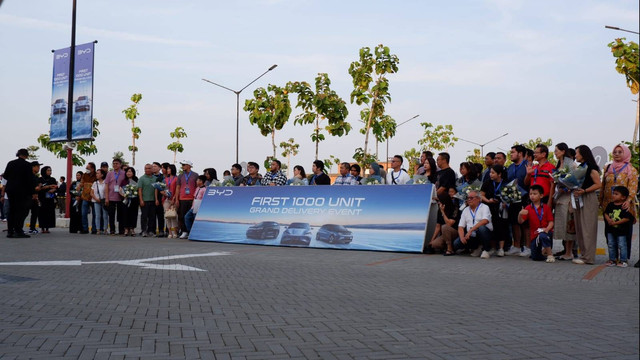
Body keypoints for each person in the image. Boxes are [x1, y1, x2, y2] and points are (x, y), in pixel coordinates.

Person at [599, 143, 638, 262]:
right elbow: (603, 186)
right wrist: (600, 201)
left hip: (624, 206)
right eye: (615, 152)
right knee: (610, 232)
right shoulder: (608, 167)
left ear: (625, 153)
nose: (616, 154)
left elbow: (633, 187)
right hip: (609, 205)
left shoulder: (630, 169)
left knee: (623, 232)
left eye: (620, 152)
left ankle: (624, 258)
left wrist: (628, 200)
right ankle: (613, 257)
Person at [572, 145, 601, 265]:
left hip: (588, 198)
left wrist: (584, 191)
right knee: (580, 228)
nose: (575, 156)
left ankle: (588, 257)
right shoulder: (580, 167)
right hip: (579, 197)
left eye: (577, 153)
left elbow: (598, 184)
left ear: (583, 154)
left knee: (588, 228)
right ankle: (583, 254)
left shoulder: (591, 167)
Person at [552, 143, 577, 261]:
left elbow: (576, 182)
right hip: (560, 197)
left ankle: (569, 252)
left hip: (569, 197)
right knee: (563, 225)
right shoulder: (559, 165)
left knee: (569, 225)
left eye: (556, 151)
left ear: (563, 151)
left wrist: (568, 188)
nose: (555, 153)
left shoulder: (570, 164)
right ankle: (566, 251)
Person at [519, 185, 555, 263]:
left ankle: (550, 254)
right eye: (531, 194)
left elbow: (551, 222)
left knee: (543, 235)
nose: (532, 196)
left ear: (541, 195)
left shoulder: (546, 207)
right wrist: (520, 214)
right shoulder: (528, 208)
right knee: (535, 257)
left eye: (535, 194)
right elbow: (521, 221)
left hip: (546, 232)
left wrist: (547, 229)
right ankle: (542, 252)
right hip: (535, 234)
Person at [452, 190, 493, 259]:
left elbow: (485, 221)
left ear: (478, 199)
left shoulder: (485, 207)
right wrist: (462, 237)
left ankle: (486, 250)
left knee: (481, 228)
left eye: (471, 198)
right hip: (472, 236)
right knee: (456, 244)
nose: (469, 200)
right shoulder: (466, 210)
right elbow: (460, 226)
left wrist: (471, 230)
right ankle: (475, 248)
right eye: (468, 198)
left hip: (484, 233)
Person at [2, 149, 34, 238]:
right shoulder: (27, 165)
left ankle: (10, 231)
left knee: (11, 210)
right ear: (26, 155)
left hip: (11, 190)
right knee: (20, 211)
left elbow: (5, 176)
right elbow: (29, 180)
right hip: (22, 191)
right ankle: (18, 230)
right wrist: (32, 192)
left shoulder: (10, 163)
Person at [506, 144, 530, 256]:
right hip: (512, 198)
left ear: (520, 153)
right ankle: (516, 246)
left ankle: (527, 247)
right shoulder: (510, 167)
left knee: (525, 223)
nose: (511, 154)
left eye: (513, 152)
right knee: (514, 222)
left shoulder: (527, 165)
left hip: (525, 198)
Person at [481, 165, 508, 256]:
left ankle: (501, 249)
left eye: (493, 173)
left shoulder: (505, 183)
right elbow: (481, 195)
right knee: (491, 227)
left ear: (499, 174)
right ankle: (492, 247)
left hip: (502, 209)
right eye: (490, 172)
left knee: (501, 227)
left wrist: (506, 203)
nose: (490, 175)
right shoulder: (487, 183)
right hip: (489, 208)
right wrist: (488, 200)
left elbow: (510, 196)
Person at [603, 186, 634, 267]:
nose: (613, 195)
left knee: (622, 245)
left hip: (621, 231)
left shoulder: (624, 206)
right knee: (611, 244)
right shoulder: (610, 205)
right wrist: (609, 220)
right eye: (613, 193)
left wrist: (616, 223)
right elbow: (605, 213)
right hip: (610, 230)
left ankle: (623, 260)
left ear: (623, 197)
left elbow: (627, 218)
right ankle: (612, 259)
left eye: (616, 194)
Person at [525, 144, 555, 209]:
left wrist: (550, 201)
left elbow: (553, 186)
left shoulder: (551, 167)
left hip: (544, 199)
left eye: (536, 153)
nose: (534, 154)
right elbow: (526, 183)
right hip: (532, 199)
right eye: (534, 153)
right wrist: (528, 174)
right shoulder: (533, 167)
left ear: (543, 154)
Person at [174, 160, 198, 236]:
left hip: (192, 199)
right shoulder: (180, 176)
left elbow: (197, 187)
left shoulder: (195, 175)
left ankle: (191, 231)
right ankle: (184, 231)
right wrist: (177, 199)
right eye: (182, 165)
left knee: (191, 216)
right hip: (182, 199)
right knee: (182, 216)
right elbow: (178, 187)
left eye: (184, 165)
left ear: (189, 166)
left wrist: (196, 198)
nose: (182, 166)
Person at [104, 158, 126, 235]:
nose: (115, 165)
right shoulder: (109, 173)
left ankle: (121, 230)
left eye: (116, 163)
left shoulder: (123, 173)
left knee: (121, 215)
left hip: (120, 197)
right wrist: (106, 198)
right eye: (113, 164)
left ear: (120, 164)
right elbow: (106, 185)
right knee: (111, 214)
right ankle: (112, 230)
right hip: (111, 196)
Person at [181, 175, 207, 239]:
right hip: (194, 207)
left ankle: (197, 233)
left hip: (199, 207)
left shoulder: (205, 189)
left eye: (198, 180)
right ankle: (190, 232)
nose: (196, 181)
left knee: (196, 220)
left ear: (201, 181)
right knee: (186, 217)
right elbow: (194, 197)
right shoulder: (197, 188)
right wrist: (192, 206)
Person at [138, 164, 158, 237]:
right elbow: (140, 190)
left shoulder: (155, 178)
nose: (147, 170)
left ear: (152, 169)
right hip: (144, 200)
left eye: (149, 168)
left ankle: (151, 231)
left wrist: (156, 199)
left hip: (152, 200)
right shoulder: (142, 179)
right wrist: (141, 200)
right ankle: (144, 230)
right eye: (146, 168)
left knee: (152, 217)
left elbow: (156, 189)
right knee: (144, 216)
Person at [37, 166, 58, 234]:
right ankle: (42, 228)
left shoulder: (52, 179)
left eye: (50, 170)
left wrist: (53, 189)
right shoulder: (40, 179)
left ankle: (47, 227)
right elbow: (39, 188)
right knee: (42, 213)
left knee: (49, 213)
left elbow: (56, 187)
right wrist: (48, 187)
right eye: (48, 170)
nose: (50, 172)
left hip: (50, 198)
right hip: (42, 198)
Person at [79, 162, 97, 234]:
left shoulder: (96, 175)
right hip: (85, 197)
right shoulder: (84, 175)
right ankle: (85, 228)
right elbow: (81, 183)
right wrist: (80, 186)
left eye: (88, 168)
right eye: (86, 168)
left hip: (94, 197)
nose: (86, 169)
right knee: (83, 213)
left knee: (95, 214)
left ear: (92, 169)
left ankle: (94, 229)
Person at [162, 164, 179, 238]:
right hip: (166, 199)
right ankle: (169, 232)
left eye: (169, 169)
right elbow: (162, 189)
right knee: (167, 216)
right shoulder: (165, 179)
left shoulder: (176, 179)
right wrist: (163, 192)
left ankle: (175, 232)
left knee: (173, 215)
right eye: (167, 169)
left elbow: (177, 189)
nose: (168, 170)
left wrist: (174, 198)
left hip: (173, 199)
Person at [90, 169, 108, 235]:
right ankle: (98, 229)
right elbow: (91, 193)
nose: (96, 175)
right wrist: (96, 198)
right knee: (97, 215)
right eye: (96, 173)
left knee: (105, 215)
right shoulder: (95, 183)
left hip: (104, 201)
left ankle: (105, 229)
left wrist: (106, 199)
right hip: (96, 201)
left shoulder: (106, 182)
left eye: (98, 173)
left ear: (102, 175)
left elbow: (107, 192)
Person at [122, 167, 139, 236]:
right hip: (125, 200)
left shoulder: (136, 180)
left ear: (133, 173)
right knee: (125, 214)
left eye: (130, 172)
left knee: (133, 214)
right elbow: (120, 189)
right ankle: (126, 229)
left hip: (134, 200)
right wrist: (124, 195)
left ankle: (132, 229)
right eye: (127, 172)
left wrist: (134, 194)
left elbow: (139, 189)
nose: (128, 173)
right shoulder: (124, 181)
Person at [28, 161, 42, 234]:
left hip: (35, 198)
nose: (39, 168)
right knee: (24, 213)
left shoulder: (36, 177)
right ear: (33, 167)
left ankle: (32, 228)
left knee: (35, 213)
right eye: (37, 166)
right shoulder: (29, 176)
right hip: (29, 197)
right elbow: (35, 188)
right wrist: (39, 186)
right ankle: (18, 228)